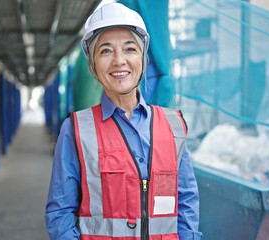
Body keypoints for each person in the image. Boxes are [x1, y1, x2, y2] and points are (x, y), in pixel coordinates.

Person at [45, 3, 202, 240]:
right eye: (106, 51)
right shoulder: (76, 129)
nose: (119, 60)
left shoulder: (173, 126)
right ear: (93, 66)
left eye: (130, 49)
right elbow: (60, 213)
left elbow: (186, 202)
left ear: (142, 59)